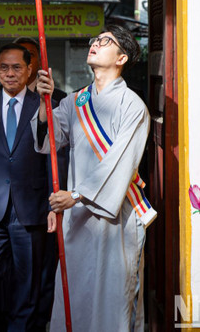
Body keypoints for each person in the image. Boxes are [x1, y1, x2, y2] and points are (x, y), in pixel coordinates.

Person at [34, 25, 154, 331]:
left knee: (111, 298)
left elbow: (120, 163)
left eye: (106, 42)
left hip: (114, 213)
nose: (96, 44)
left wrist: (75, 195)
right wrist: (44, 102)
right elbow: (51, 139)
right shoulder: (76, 101)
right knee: (75, 292)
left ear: (122, 57)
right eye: (95, 40)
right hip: (78, 215)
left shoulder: (133, 106)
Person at [0, 43, 66, 331]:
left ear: (29, 71)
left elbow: (55, 153)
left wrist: (54, 203)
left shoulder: (47, 104)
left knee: (29, 278)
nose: (10, 73)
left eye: (16, 67)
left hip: (32, 206)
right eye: (4, 67)